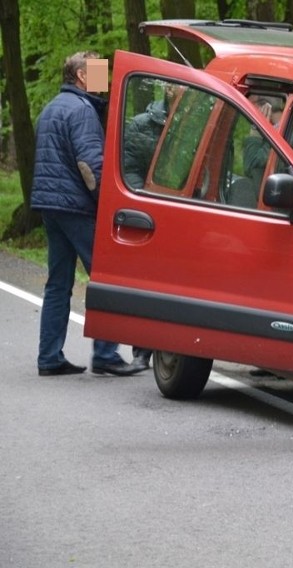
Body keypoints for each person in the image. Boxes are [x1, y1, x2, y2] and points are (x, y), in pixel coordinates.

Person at [31, 51, 145, 377]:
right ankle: (106, 354)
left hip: (51, 207)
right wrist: (107, 204)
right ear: (82, 76)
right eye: (97, 71)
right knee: (106, 277)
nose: (104, 78)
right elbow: (90, 165)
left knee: (58, 283)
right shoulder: (82, 110)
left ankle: (49, 357)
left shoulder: (51, 107)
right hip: (76, 206)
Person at [121, 83, 181, 369]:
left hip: (185, 215)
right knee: (145, 282)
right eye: (173, 86)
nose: (177, 90)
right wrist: (142, 202)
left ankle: (173, 349)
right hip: (151, 214)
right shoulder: (141, 124)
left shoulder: (196, 122)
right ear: (167, 90)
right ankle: (141, 351)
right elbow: (129, 167)